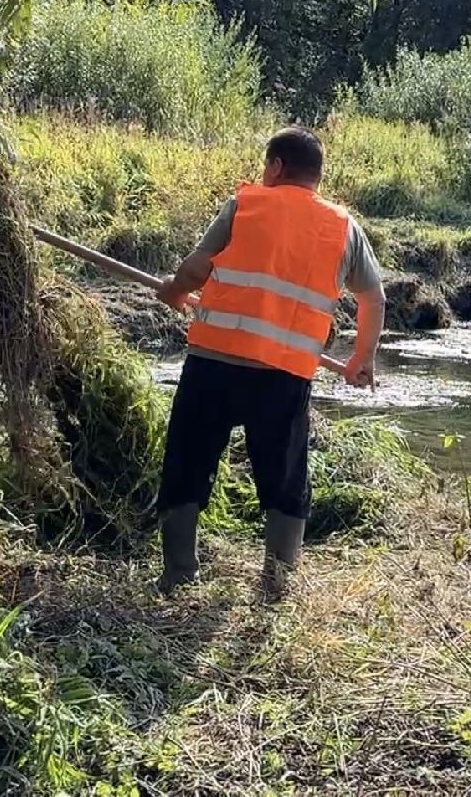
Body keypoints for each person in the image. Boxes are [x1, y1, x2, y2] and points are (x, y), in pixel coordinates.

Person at [152, 126, 384, 599]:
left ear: (276, 166)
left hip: (215, 362)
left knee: (186, 463)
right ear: (317, 176)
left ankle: (178, 575)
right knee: (285, 476)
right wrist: (361, 360)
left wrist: (174, 293)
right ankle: (277, 586)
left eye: (266, 166)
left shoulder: (247, 204)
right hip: (283, 374)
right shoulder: (343, 227)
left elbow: (198, 266)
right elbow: (373, 298)